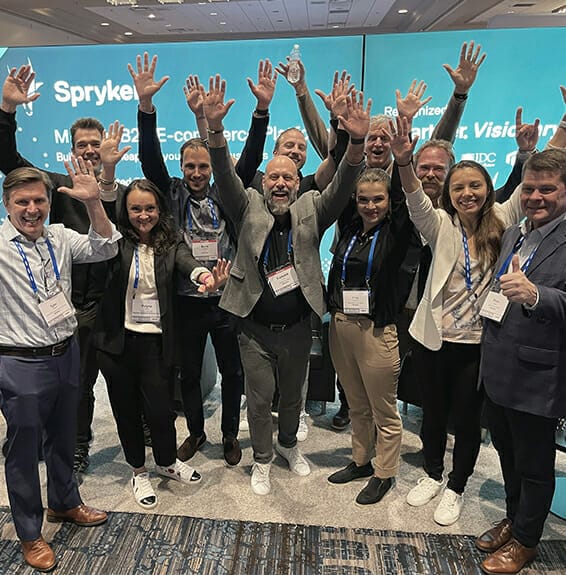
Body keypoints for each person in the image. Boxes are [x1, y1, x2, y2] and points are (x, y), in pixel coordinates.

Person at [202, 73, 370, 495]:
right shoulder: (247, 205)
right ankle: (261, 459)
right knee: (259, 400)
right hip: (254, 328)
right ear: (263, 181)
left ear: (299, 183)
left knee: (293, 397)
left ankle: (289, 445)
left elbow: (346, 181)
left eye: (289, 178)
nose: (280, 183)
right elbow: (223, 174)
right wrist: (216, 131)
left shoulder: (314, 206)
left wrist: (356, 142)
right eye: (273, 177)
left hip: (298, 328)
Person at [390, 115, 523, 526]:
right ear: (449, 193)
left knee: (466, 421)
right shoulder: (440, 224)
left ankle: (457, 486)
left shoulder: (502, 218)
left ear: (486, 189)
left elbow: (527, 188)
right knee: (432, 412)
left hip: (478, 343)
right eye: (459, 188)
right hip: (434, 339)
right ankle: (432, 472)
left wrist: (537, 143)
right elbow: (414, 197)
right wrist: (404, 160)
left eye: (474, 186)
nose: (467, 194)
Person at [0, 64, 131, 474]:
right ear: (72, 149)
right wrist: (6, 110)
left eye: (96, 144)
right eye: (83, 145)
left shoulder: (125, 192)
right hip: (65, 306)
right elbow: (7, 158)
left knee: (114, 379)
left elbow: (113, 242)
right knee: (75, 386)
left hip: (112, 304)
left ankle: (130, 437)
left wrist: (107, 178)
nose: (90, 150)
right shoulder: (53, 184)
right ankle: (74, 444)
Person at [129, 53, 254, 466]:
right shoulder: (175, 193)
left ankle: (231, 436)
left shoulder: (226, 192)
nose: (197, 172)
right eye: (190, 166)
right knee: (187, 372)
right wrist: (146, 109)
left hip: (226, 299)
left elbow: (245, 160)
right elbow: (150, 160)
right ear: (182, 170)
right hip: (185, 299)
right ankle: (197, 433)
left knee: (233, 373)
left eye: (203, 166)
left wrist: (257, 114)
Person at [0, 161, 119, 571]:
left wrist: (93, 204)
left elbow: (107, 246)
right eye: (22, 202)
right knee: (23, 451)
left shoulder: (61, 237)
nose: (32, 209)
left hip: (66, 352)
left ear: (50, 202)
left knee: (64, 437)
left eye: (39, 200)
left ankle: (64, 503)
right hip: (18, 361)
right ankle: (30, 533)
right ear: (6, 204)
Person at [94, 178, 230, 509]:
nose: (144, 215)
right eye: (136, 208)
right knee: (126, 411)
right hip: (118, 342)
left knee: (161, 409)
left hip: (156, 341)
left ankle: (167, 462)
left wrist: (206, 277)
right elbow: (100, 226)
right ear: (125, 212)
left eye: (150, 208)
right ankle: (139, 471)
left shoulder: (171, 242)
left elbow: (188, 264)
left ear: (160, 210)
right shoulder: (114, 242)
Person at [475, 148, 566, 575]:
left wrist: (537, 296)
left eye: (547, 189)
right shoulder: (514, 232)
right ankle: (515, 518)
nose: (535, 197)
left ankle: (527, 540)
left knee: (534, 464)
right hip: (499, 366)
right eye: (529, 188)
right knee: (507, 456)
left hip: (538, 375)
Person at [326, 165, 415, 505]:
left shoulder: (397, 232)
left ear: (389, 201)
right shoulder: (351, 227)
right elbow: (345, 178)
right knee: (357, 404)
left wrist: (403, 158)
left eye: (378, 199)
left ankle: (384, 472)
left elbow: (407, 201)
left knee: (384, 411)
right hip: (341, 325)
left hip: (375, 331)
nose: (370, 206)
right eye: (363, 200)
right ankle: (362, 461)